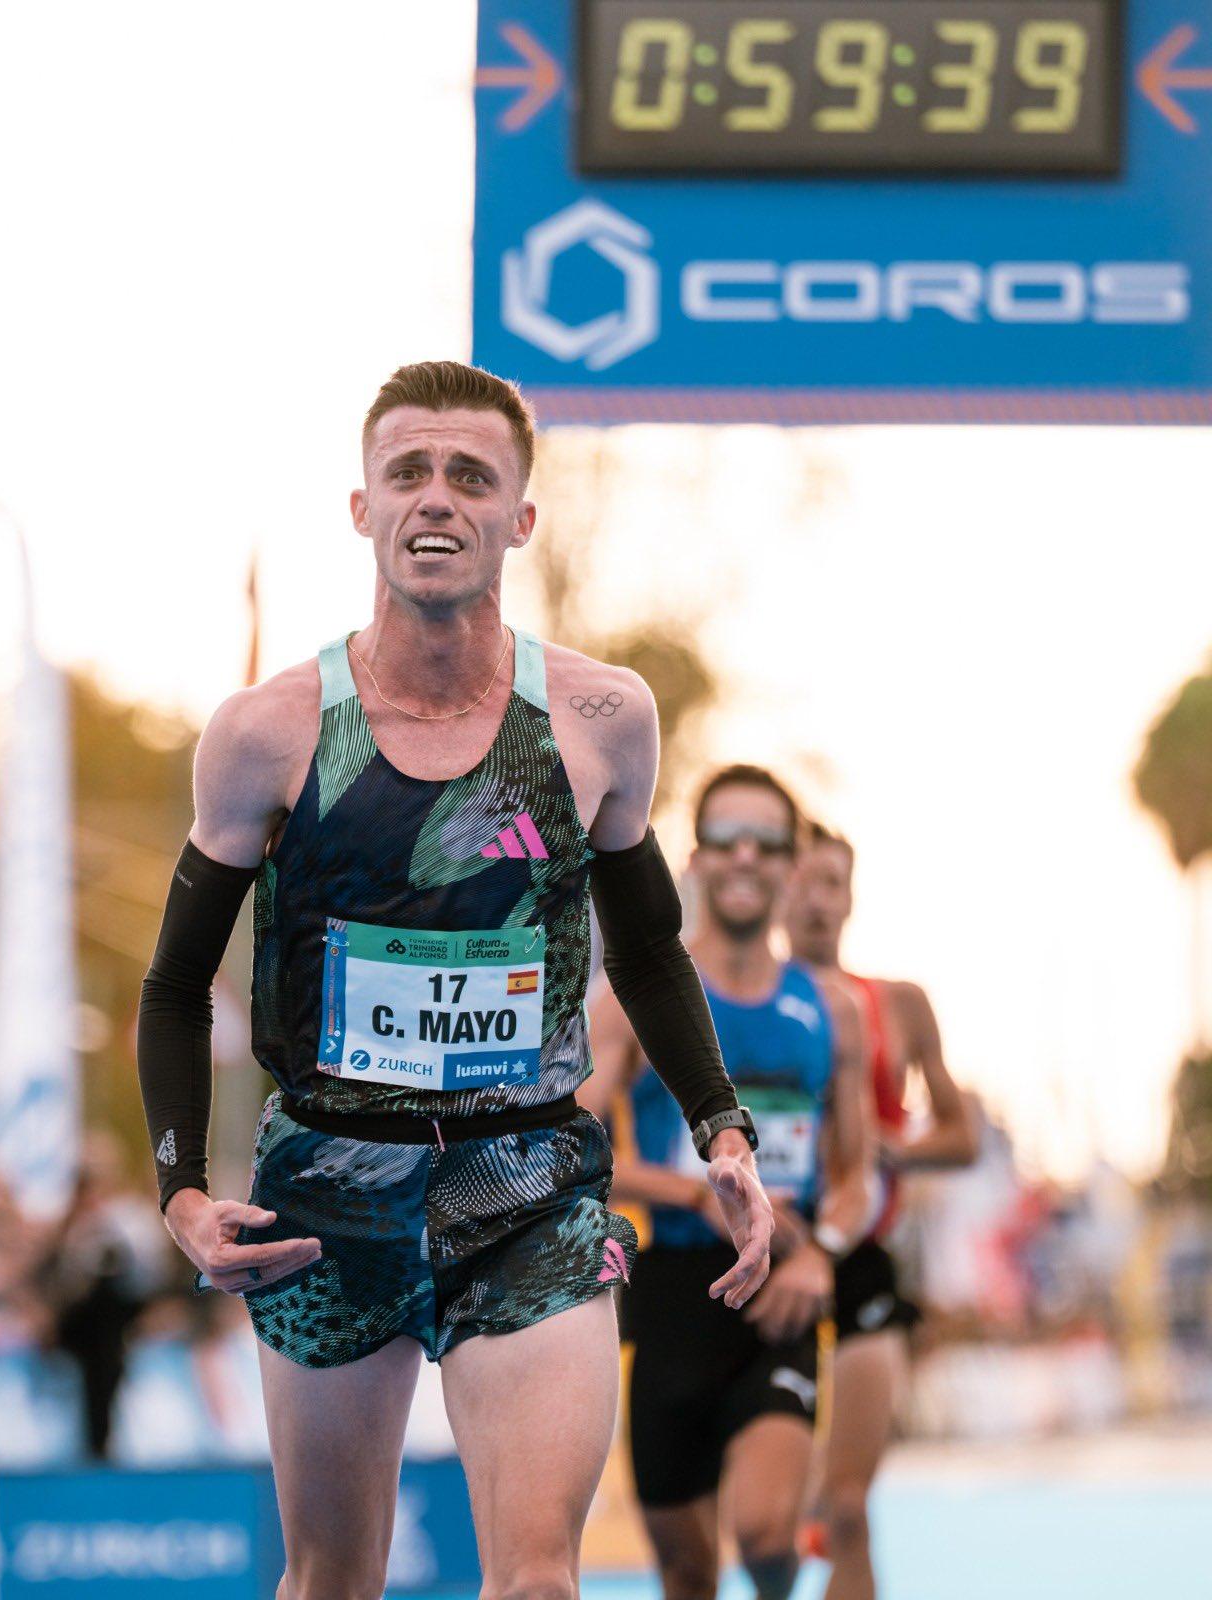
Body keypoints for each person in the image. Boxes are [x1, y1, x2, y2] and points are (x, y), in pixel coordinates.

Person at [135, 361, 774, 1600]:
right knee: (331, 1578)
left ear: (519, 518)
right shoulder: (266, 733)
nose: (438, 499)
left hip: (526, 1179)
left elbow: (648, 951)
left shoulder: (597, 717)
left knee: (537, 1580)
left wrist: (722, 1128)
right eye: (408, 473)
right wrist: (180, 1195)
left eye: (471, 476)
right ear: (363, 508)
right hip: (326, 1191)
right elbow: (171, 984)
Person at [581, 765, 873, 1600]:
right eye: (726, 839)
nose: (746, 857)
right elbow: (575, 1151)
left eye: (768, 843)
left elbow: (855, 1177)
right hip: (672, 1296)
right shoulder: (629, 1001)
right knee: (686, 1571)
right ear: (697, 857)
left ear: (792, 863)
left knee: (768, 1536)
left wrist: (823, 1257)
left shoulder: (831, 1010)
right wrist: (693, 1191)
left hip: (783, 1291)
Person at [784, 828, 978, 1600]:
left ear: (851, 898)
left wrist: (890, 1150)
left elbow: (963, 1136)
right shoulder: (734, 1001)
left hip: (860, 1259)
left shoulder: (898, 1004)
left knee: (849, 1504)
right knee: (773, 1518)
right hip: (762, 1261)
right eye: (803, 880)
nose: (817, 898)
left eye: (832, 882)